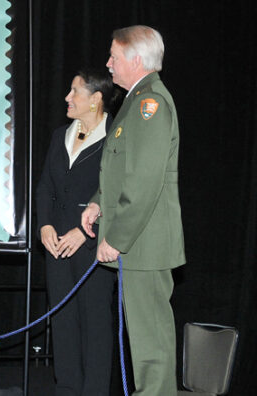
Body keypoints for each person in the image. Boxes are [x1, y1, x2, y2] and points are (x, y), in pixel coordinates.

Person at [81, 25, 185, 396]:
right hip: (140, 244)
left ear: (136, 60)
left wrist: (116, 237)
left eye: (114, 56)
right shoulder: (136, 99)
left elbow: (144, 180)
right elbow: (122, 170)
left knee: (151, 347)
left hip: (143, 244)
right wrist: (96, 202)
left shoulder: (149, 104)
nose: (108, 64)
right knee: (144, 343)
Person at [36, 68, 119, 396]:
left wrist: (86, 232)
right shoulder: (61, 135)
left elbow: (119, 192)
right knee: (64, 321)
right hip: (57, 246)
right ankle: (67, 389)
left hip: (93, 247)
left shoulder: (116, 135)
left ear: (96, 99)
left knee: (95, 325)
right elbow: (45, 186)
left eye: (75, 92)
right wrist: (45, 225)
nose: (67, 98)